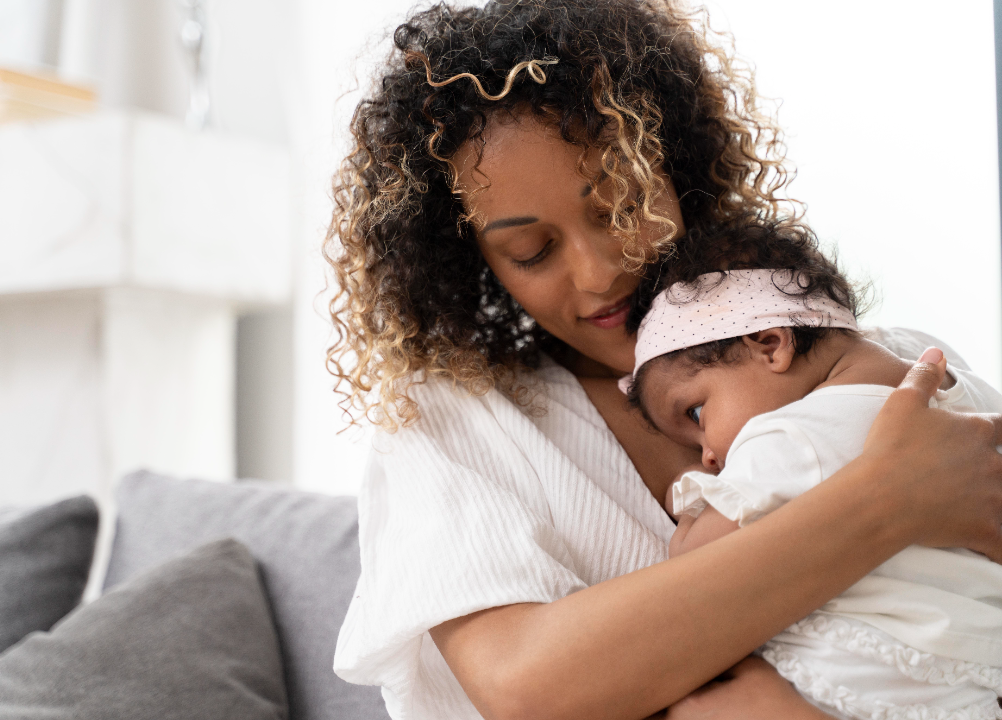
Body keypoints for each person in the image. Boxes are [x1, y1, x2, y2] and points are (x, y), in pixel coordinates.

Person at [324, 1, 1002, 718]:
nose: (596, 273)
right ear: (473, 264)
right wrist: (885, 500)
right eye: (532, 252)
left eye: (620, 204)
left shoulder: (883, 365)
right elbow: (524, 686)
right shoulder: (453, 424)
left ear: (674, 166)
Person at [622, 221, 1002, 720]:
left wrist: (689, 521)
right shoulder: (966, 393)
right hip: (972, 678)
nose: (708, 456)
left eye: (695, 415)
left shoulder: (789, 438)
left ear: (771, 345)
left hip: (868, 680)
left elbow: (695, 570)